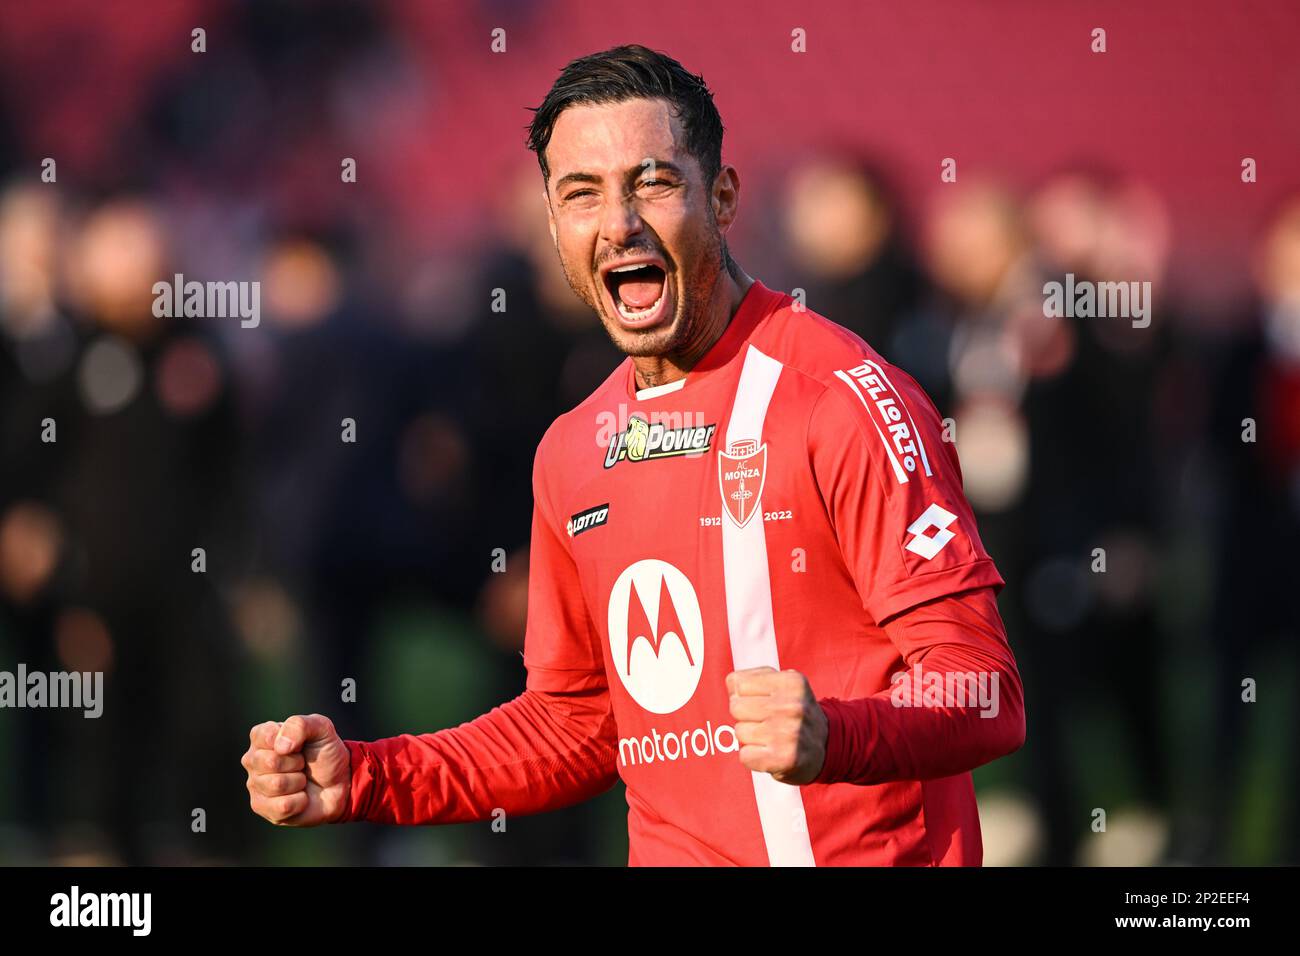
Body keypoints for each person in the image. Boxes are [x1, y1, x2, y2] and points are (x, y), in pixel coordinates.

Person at [241, 44, 1025, 866]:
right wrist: (370, 778)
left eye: (653, 182)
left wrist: (838, 734)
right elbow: (572, 723)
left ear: (722, 198)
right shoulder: (574, 449)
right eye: (582, 194)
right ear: (553, 225)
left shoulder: (844, 400)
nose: (619, 223)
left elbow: (985, 691)